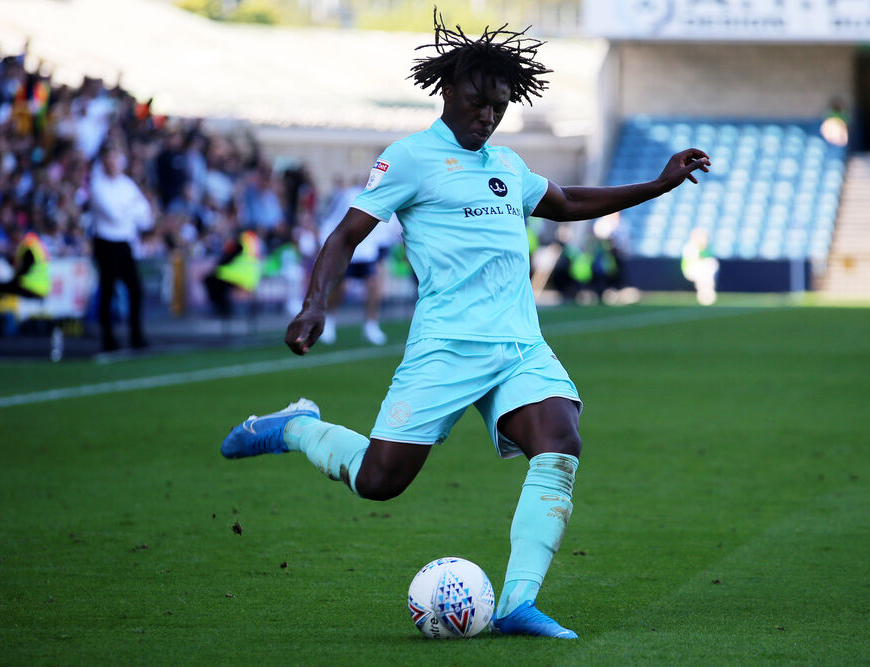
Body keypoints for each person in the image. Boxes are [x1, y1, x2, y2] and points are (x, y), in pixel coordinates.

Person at [220, 11, 709, 639]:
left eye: (499, 107)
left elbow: (565, 205)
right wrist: (316, 303)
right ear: (449, 91)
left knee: (560, 442)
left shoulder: (505, 163)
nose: (488, 117)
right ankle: (297, 428)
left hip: (519, 346)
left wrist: (658, 185)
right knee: (378, 483)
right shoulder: (410, 159)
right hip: (446, 349)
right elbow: (345, 236)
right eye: (479, 103)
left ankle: (517, 604)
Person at [89, 143, 153, 351]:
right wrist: (130, 211)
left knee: (135, 289)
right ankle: (108, 338)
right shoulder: (98, 185)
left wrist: (129, 212)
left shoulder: (127, 184)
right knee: (107, 290)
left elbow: (144, 214)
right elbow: (114, 215)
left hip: (124, 242)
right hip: (106, 243)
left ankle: (136, 335)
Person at [318, 180, 394, 346]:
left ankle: (371, 324)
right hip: (348, 248)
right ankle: (329, 322)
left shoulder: (385, 194)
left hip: (368, 251)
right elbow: (334, 218)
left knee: (374, 284)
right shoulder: (349, 195)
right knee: (340, 286)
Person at [681, 227, 719, 306]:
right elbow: (694, 260)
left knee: (711, 264)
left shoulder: (707, 248)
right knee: (707, 265)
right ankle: (704, 294)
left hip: (702, 271)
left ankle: (706, 293)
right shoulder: (690, 247)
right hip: (691, 269)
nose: (704, 239)